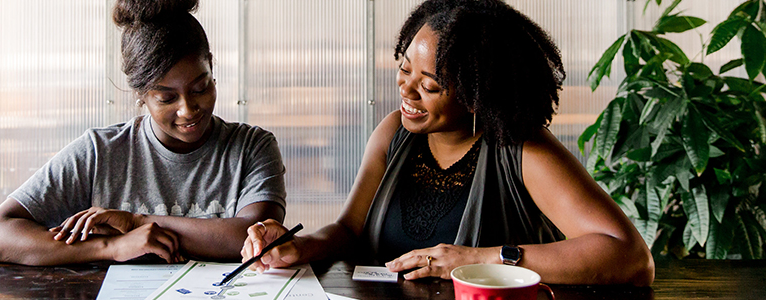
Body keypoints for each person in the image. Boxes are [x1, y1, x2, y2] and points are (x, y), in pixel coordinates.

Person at [241, 0, 654, 286]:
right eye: (404, 70)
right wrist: (296, 246)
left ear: (479, 92)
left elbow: (629, 257)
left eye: (431, 85)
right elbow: (350, 229)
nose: (407, 91)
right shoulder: (394, 132)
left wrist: (477, 259)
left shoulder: (522, 149)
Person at [0, 0, 286, 265]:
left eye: (200, 88)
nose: (188, 109)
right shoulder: (100, 152)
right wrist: (111, 247)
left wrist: (137, 221)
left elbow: (251, 237)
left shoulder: (252, 147)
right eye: (166, 97)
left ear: (212, 68)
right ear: (141, 94)